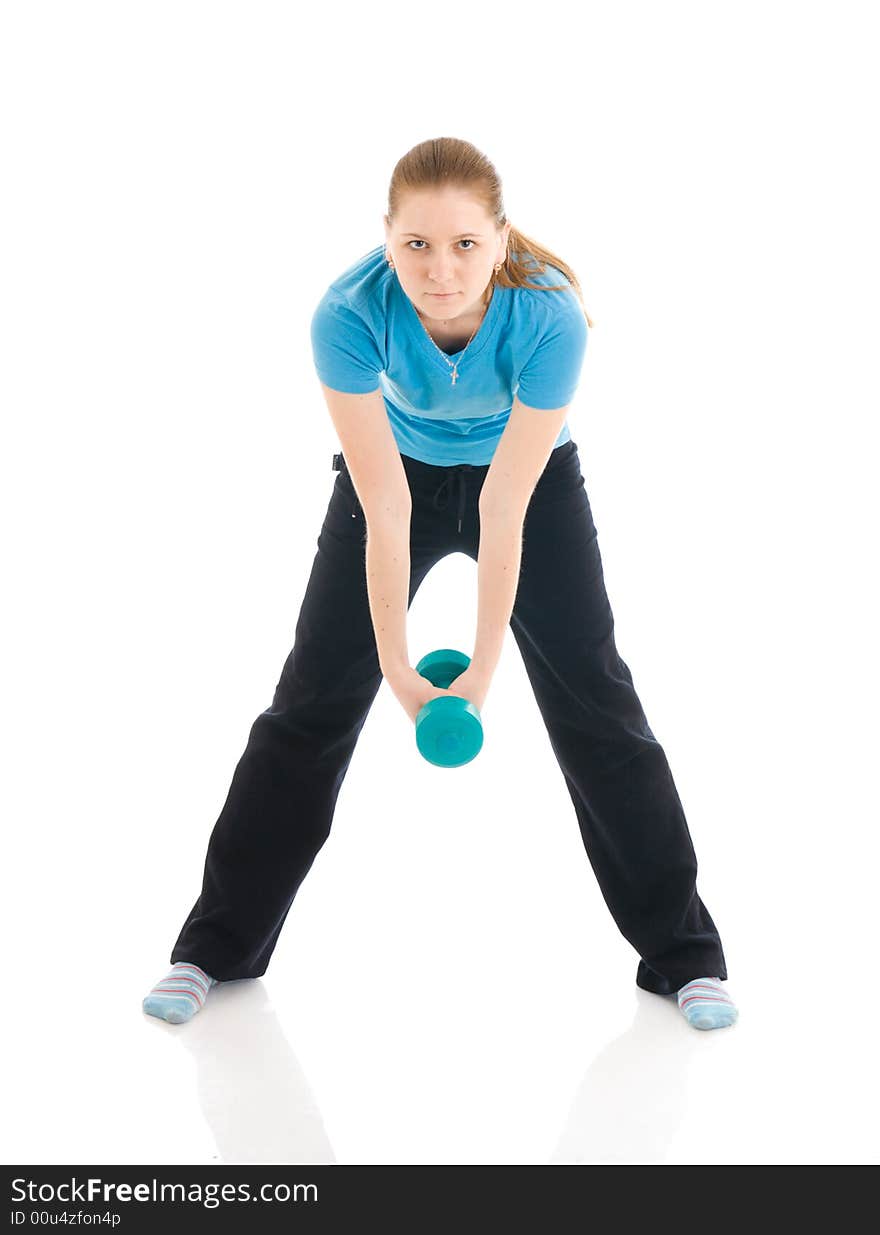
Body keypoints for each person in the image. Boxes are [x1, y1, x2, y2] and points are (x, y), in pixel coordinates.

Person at [143, 136, 738, 1033]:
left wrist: (482, 674)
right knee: (309, 701)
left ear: (500, 240)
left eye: (464, 244)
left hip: (524, 478)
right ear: (387, 241)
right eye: (417, 245)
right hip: (400, 476)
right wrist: (397, 669)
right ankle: (210, 951)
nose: (441, 269)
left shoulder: (549, 317)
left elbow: (506, 508)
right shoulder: (345, 315)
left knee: (597, 701)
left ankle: (686, 958)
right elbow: (383, 505)